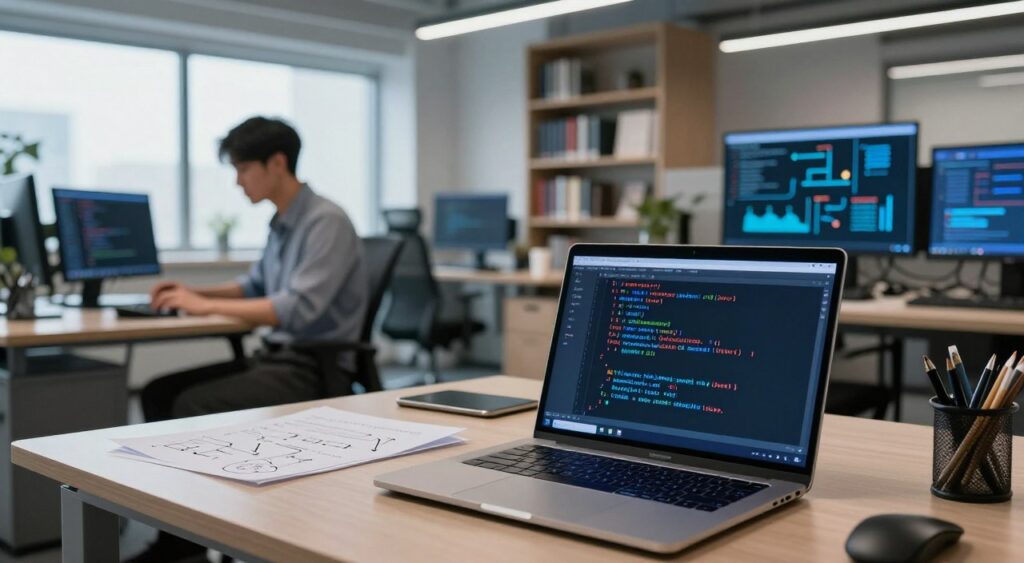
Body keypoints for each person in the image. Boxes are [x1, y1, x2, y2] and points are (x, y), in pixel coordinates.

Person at [129, 116, 367, 563]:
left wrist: (206, 307)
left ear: (276, 163)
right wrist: (195, 292)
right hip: (275, 359)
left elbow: (299, 307)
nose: (237, 182)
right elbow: (256, 285)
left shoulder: (325, 222)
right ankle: (180, 542)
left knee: (189, 406)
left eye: (242, 169)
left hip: (313, 368)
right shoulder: (282, 222)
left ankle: (200, 538)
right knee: (160, 393)